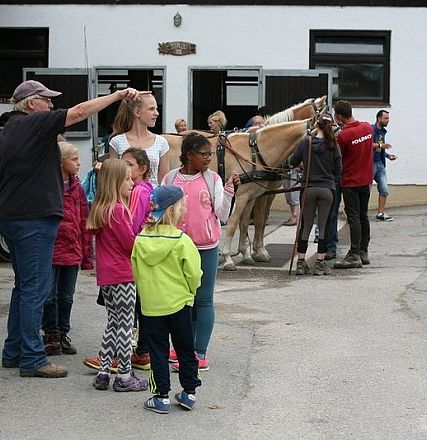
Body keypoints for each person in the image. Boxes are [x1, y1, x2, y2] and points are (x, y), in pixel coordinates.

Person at [0, 79, 147, 378]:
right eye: (47, 100)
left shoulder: (8, 130)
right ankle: (32, 358)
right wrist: (117, 95)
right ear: (31, 104)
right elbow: (79, 112)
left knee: (23, 286)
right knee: (35, 288)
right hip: (34, 218)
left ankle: (13, 351)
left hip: (12, 217)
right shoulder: (35, 124)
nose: (52, 106)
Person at [163, 133, 240, 372]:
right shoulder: (170, 178)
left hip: (205, 247)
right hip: (174, 246)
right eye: (203, 154)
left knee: (203, 299)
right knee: (179, 301)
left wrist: (228, 191)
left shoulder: (213, 179)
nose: (209, 158)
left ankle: (200, 352)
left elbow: (223, 215)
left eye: (210, 154)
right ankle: (183, 346)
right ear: (188, 155)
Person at [132, 185, 203, 414]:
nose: (184, 210)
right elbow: (194, 273)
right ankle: (189, 392)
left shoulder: (140, 240)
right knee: (185, 348)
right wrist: (191, 291)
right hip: (180, 303)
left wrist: (146, 294)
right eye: (182, 206)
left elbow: (136, 272)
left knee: (157, 351)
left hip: (152, 306)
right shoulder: (183, 241)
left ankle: (160, 396)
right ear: (172, 210)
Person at [87, 158, 148, 392]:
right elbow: (128, 244)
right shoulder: (119, 210)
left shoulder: (101, 208)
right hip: (123, 273)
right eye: (127, 179)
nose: (132, 183)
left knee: (112, 323)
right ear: (115, 182)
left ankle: (104, 371)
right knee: (125, 326)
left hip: (107, 275)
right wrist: (144, 238)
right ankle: (123, 375)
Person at [42, 142, 93, 356]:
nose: (79, 162)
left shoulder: (78, 188)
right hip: (52, 250)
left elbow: (84, 220)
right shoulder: (47, 186)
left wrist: (87, 255)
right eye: (74, 159)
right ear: (60, 162)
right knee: (49, 295)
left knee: (66, 296)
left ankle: (63, 332)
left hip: (71, 250)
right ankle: (50, 334)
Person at [289, 114, 342, 276]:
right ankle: (319, 264)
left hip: (308, 188)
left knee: (306, 225)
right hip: (327, 189)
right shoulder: (334, 145)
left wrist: (303, 166)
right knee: (323, 226)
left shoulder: (306, 142)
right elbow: (338, 170)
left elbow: (292, 161)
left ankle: (301, 263)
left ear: (316, 125)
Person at [333, 100, 373, 269]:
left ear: (339, 117)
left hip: (350, 182)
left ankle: (354, 255)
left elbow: (337, 158)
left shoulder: (343, 135)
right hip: (366, 180)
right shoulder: (367, 128)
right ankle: (363, 251)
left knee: (353, 218)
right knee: (363, 216)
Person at [109, 93, 169, 187]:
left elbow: (164, 182)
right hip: (126, 198)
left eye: (156, 109)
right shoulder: (117, 142)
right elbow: (112, 179)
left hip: (152, 199)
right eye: (151, 109)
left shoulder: (161, 142)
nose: (157, 113)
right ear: (137, 112)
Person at [372, 110, 397, 222]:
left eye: (388, 118)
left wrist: (387, 156)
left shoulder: (383, 132)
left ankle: (381, 213)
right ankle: (359, 213)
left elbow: (379, 149)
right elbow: (368, 144)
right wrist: (382, 145)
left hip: (380, 164)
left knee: (384, 190)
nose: (388, 120)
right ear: (379, 118)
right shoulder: (371, 130)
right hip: (370, 164)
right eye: (386, 118)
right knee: (365, 190)